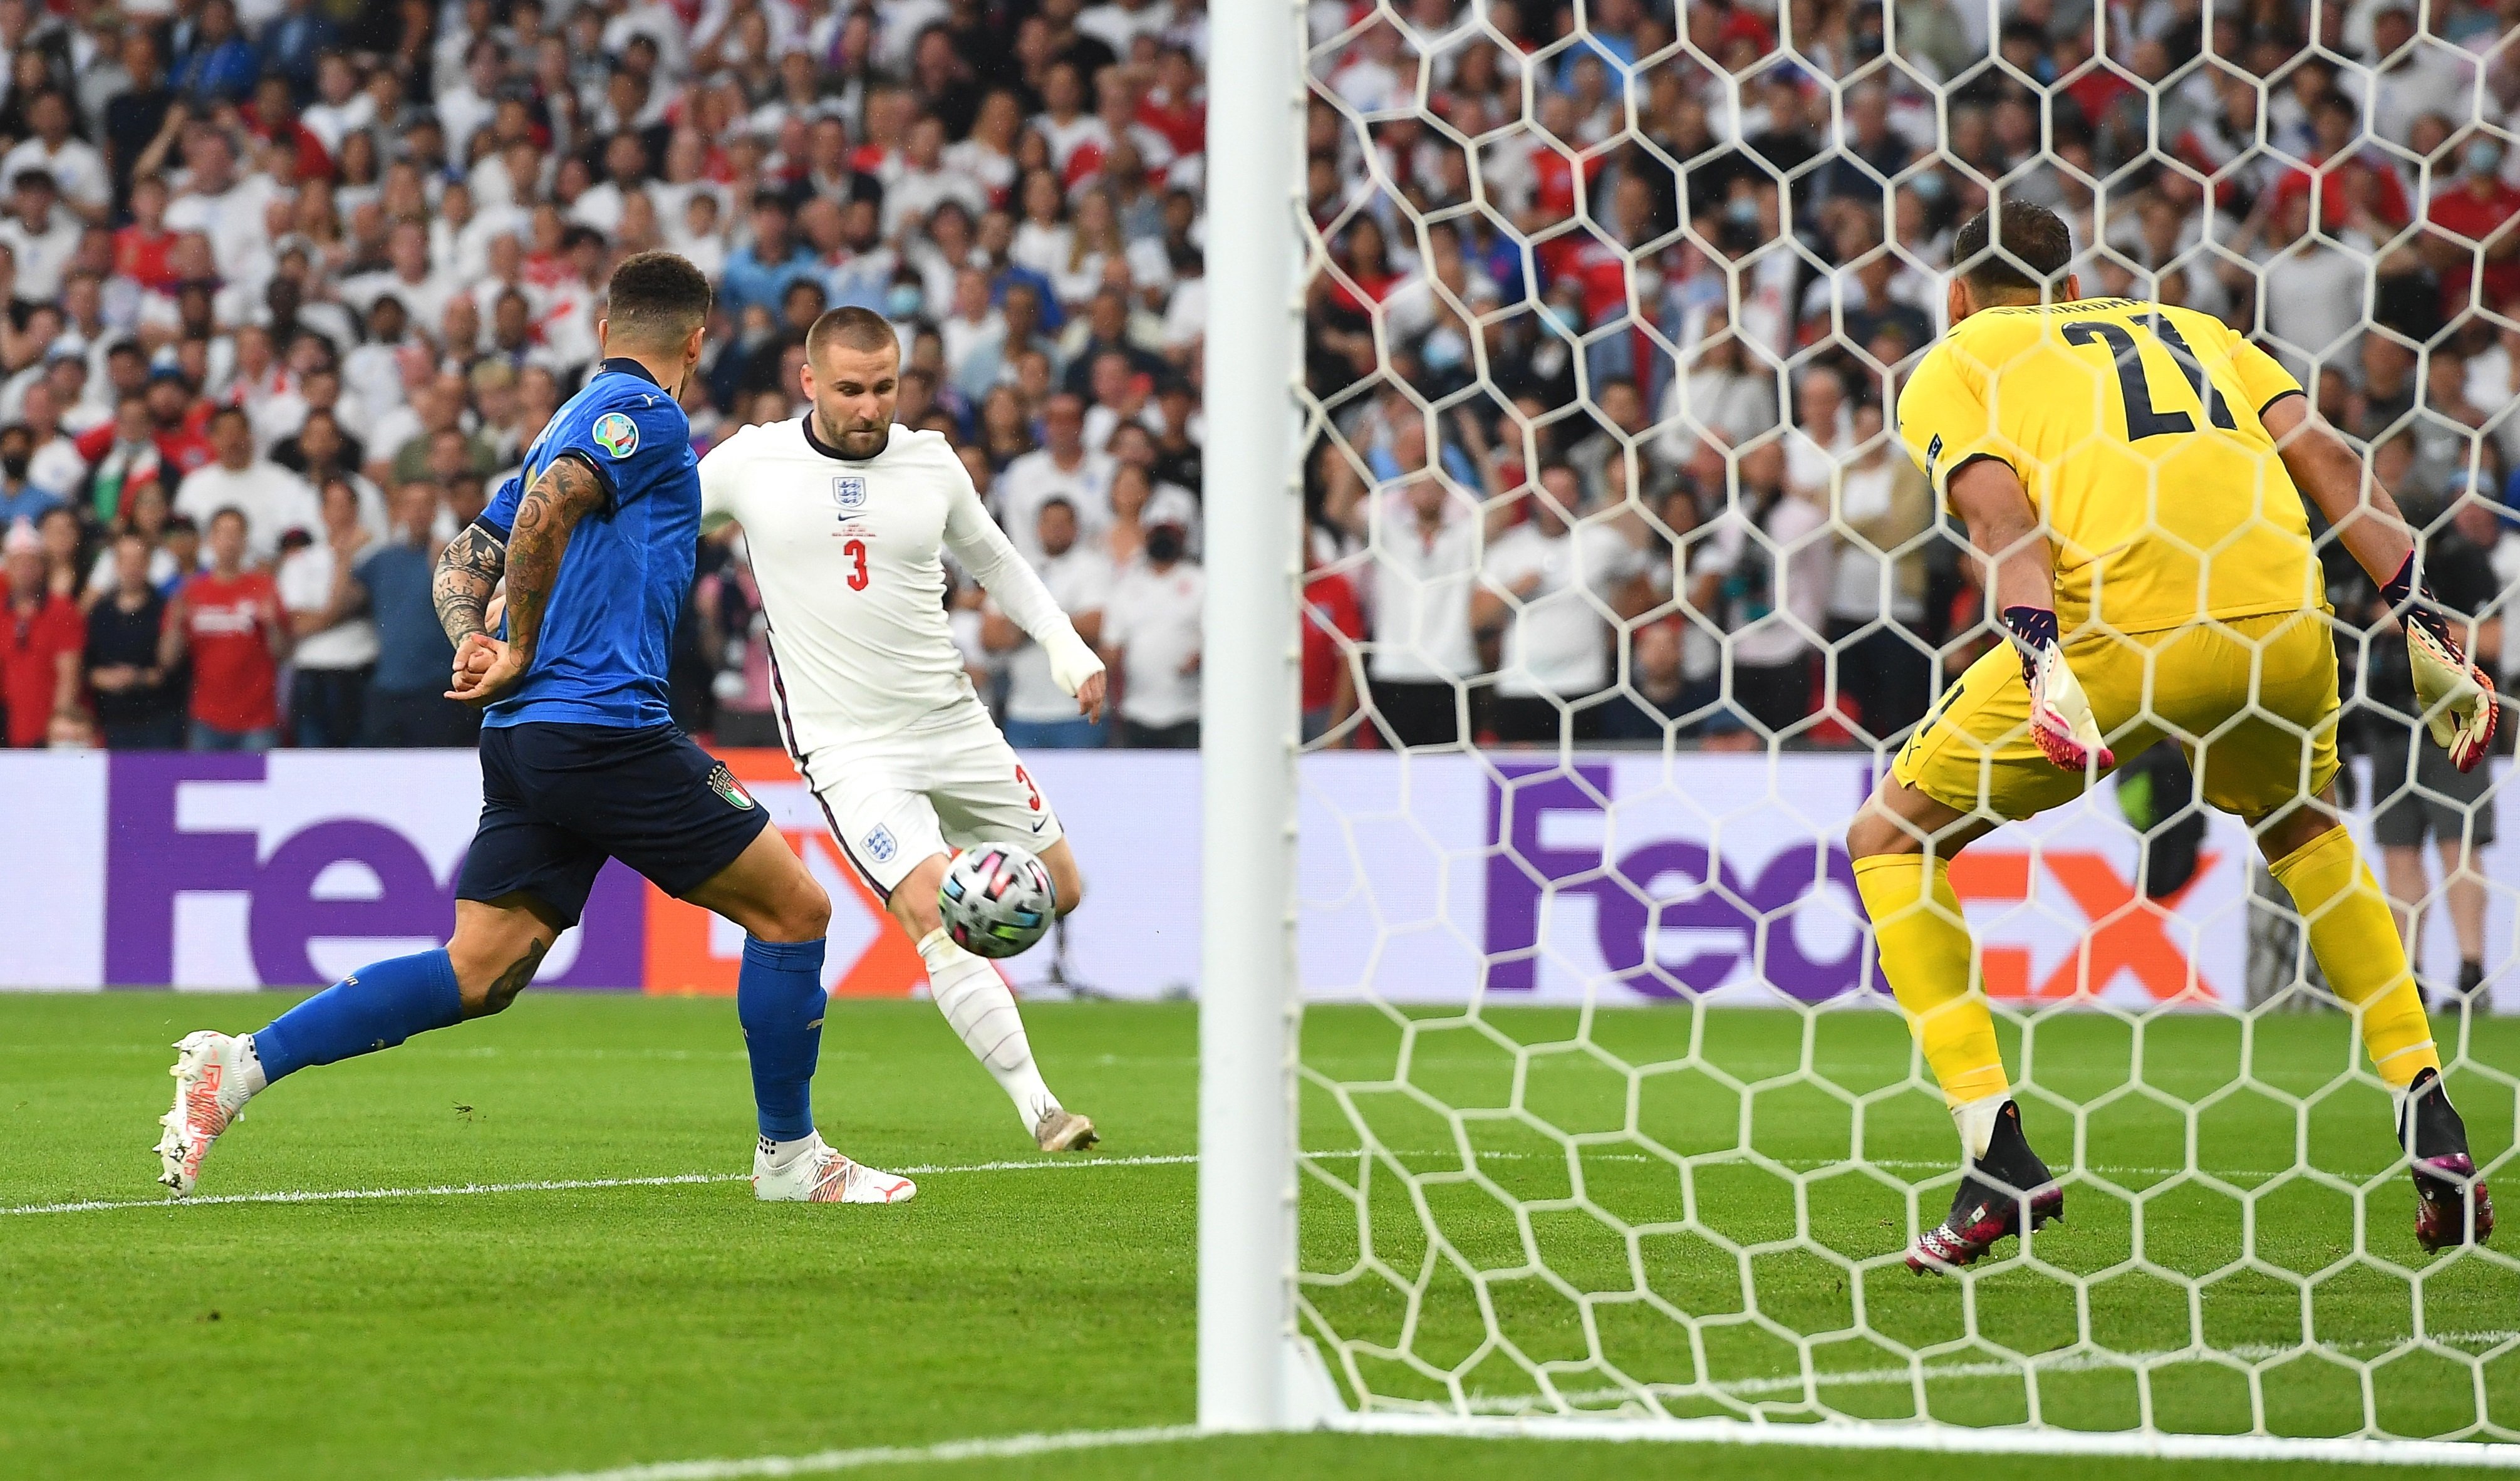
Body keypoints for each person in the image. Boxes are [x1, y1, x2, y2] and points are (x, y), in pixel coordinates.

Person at [156, 256, 910, 1208]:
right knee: (795, 913)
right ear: (696, 342)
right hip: (604, 727)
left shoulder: (570, 415)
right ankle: (792, 1161)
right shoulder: (649, 416)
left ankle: (242, 1066)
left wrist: (475, 636)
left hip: (529, 740)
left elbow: (466, 553)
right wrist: (513, 650)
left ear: (602, 332)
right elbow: (553, 502)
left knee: (481, 970)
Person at [1848, 202, 2497, 1271]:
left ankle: (1994, 1152)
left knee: (1888, 837)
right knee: (2301, 826)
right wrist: (2418, 612)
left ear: (1956, 294)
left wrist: (2040, 655)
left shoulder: (1955, 359)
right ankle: (2424, 1104)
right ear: (2069, 288)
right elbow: (2328, 456)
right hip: (2283, 628)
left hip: (2111, 635)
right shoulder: (2194, 328)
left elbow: (2003, 524)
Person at [697, 306, 1106, 1153]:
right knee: (936, 910)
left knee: (1060, 888)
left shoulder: (929, 462)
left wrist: (1067, 649)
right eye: (849, 389)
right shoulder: (750, 462)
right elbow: (656, 525)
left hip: (952, 722)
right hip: (848, 747)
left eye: (884, 388)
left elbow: (994, 560)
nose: (868, 407)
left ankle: (977, 966)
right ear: (807, 382)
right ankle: (1040, 1108)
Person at [2363, 486, 2504, 1006]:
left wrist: (2420, 625)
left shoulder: (2463, 564)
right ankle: (2409, 974)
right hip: (2386, 725)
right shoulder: (2368, 559)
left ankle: (2471, 971)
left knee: (2457, 850)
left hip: (2452, 724)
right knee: (2398, 854)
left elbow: (2491, 640)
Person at [1470, 464, 1649, 744]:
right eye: (1549, 491)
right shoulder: (1507, 549)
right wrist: (1515, 589)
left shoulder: (1603, 542)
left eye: (1566, 491)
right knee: (1523, 782)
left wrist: (1618, 630)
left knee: (1580, 781)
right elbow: (1477, 617)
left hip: (1585, 685)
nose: (1557, 500)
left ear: (1579, 495)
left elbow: (1640, 584)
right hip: (1521, 687)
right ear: (1534, 497)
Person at [987, 495, 1112, 749]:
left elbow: (1094, 627)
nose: (1056, 529)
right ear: (1038, 527)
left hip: (1078, 711)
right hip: (1023, 710)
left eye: (1063, 523)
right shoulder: (1015, 566)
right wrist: (1061, 621)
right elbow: (990, 635)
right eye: (1049, 523)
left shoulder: (1093, 566)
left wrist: (1027, 622)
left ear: (1076, 527)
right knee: (1026, 789)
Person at [357, 481, 475, 748]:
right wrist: (344, 552)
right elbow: (343, 604)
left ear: (436, 512)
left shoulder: (452, 558)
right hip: (387, 687)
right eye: (410, 505)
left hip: (437, 688)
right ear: (397, 511)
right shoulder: (381, 561)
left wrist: (448, 571)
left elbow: (480, 606)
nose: (418, 512)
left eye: (426, 505)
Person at [160, 506, 287, 751]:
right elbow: (168, 660)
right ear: (210, 540)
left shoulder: (264, 588)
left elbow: (282, 653)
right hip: (206, 719)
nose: (229, 542)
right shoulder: (190, 592)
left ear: (245, 540)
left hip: (258, 720)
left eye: (235, 534)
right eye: (222, 534)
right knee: (204, 790)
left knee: (255, 790)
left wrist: (272, 624)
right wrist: (176, 624)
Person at [277, 479, 378, 747]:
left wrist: (321, 616)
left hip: (359, 669)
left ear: (356, 510)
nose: (340, 513)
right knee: (314, 761)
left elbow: (347, 604)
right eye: (333, 505)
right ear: (322, 512)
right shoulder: (301, 562)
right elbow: (297, 625)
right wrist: (338, 612)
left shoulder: (374, 557)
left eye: (346, 505)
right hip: (313, 671)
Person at [1101, 498, 1204, 749]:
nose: (1163, 540)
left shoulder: (1201, 582)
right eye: (1157, 533)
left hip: (1189, 712)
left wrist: (1201, 658)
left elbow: (1218, 640)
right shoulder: (1126, 585)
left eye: (1169, 534)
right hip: (1136, 712)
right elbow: (1111, 646)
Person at [83, 529, 184, 748]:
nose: (132, 567)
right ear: (116, 565)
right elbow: (87, 665)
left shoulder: (165, 609)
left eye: (138, 560)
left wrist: (137, 678)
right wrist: (104, 678)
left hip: (157, 721)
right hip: (109, 722)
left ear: (148, 564)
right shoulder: (100, 612)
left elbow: (171, 669)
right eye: (125, 560)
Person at [2, 518, 81, 747]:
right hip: (10, 723)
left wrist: (59, 726)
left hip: (47, 726)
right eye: (18, 563)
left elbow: (69, 672)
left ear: (43, 567)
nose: (25, 570)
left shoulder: (61, 610)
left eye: (32, 563)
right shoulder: (3, 611)